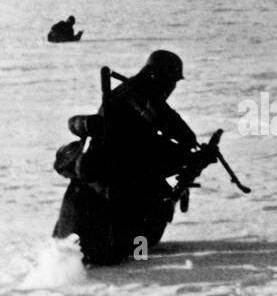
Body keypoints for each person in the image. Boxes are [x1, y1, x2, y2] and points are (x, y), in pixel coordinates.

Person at [53, 49, 214, 264]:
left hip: (90, 211)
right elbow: (149, 149)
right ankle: (132, 248)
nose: (172, 87)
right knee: (153, 203)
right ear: (158, 76)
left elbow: (165, 119)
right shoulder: (137, 99)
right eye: (171, 81)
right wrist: (188, 156)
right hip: (109, 221)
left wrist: (187, 141)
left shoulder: (135, 94)